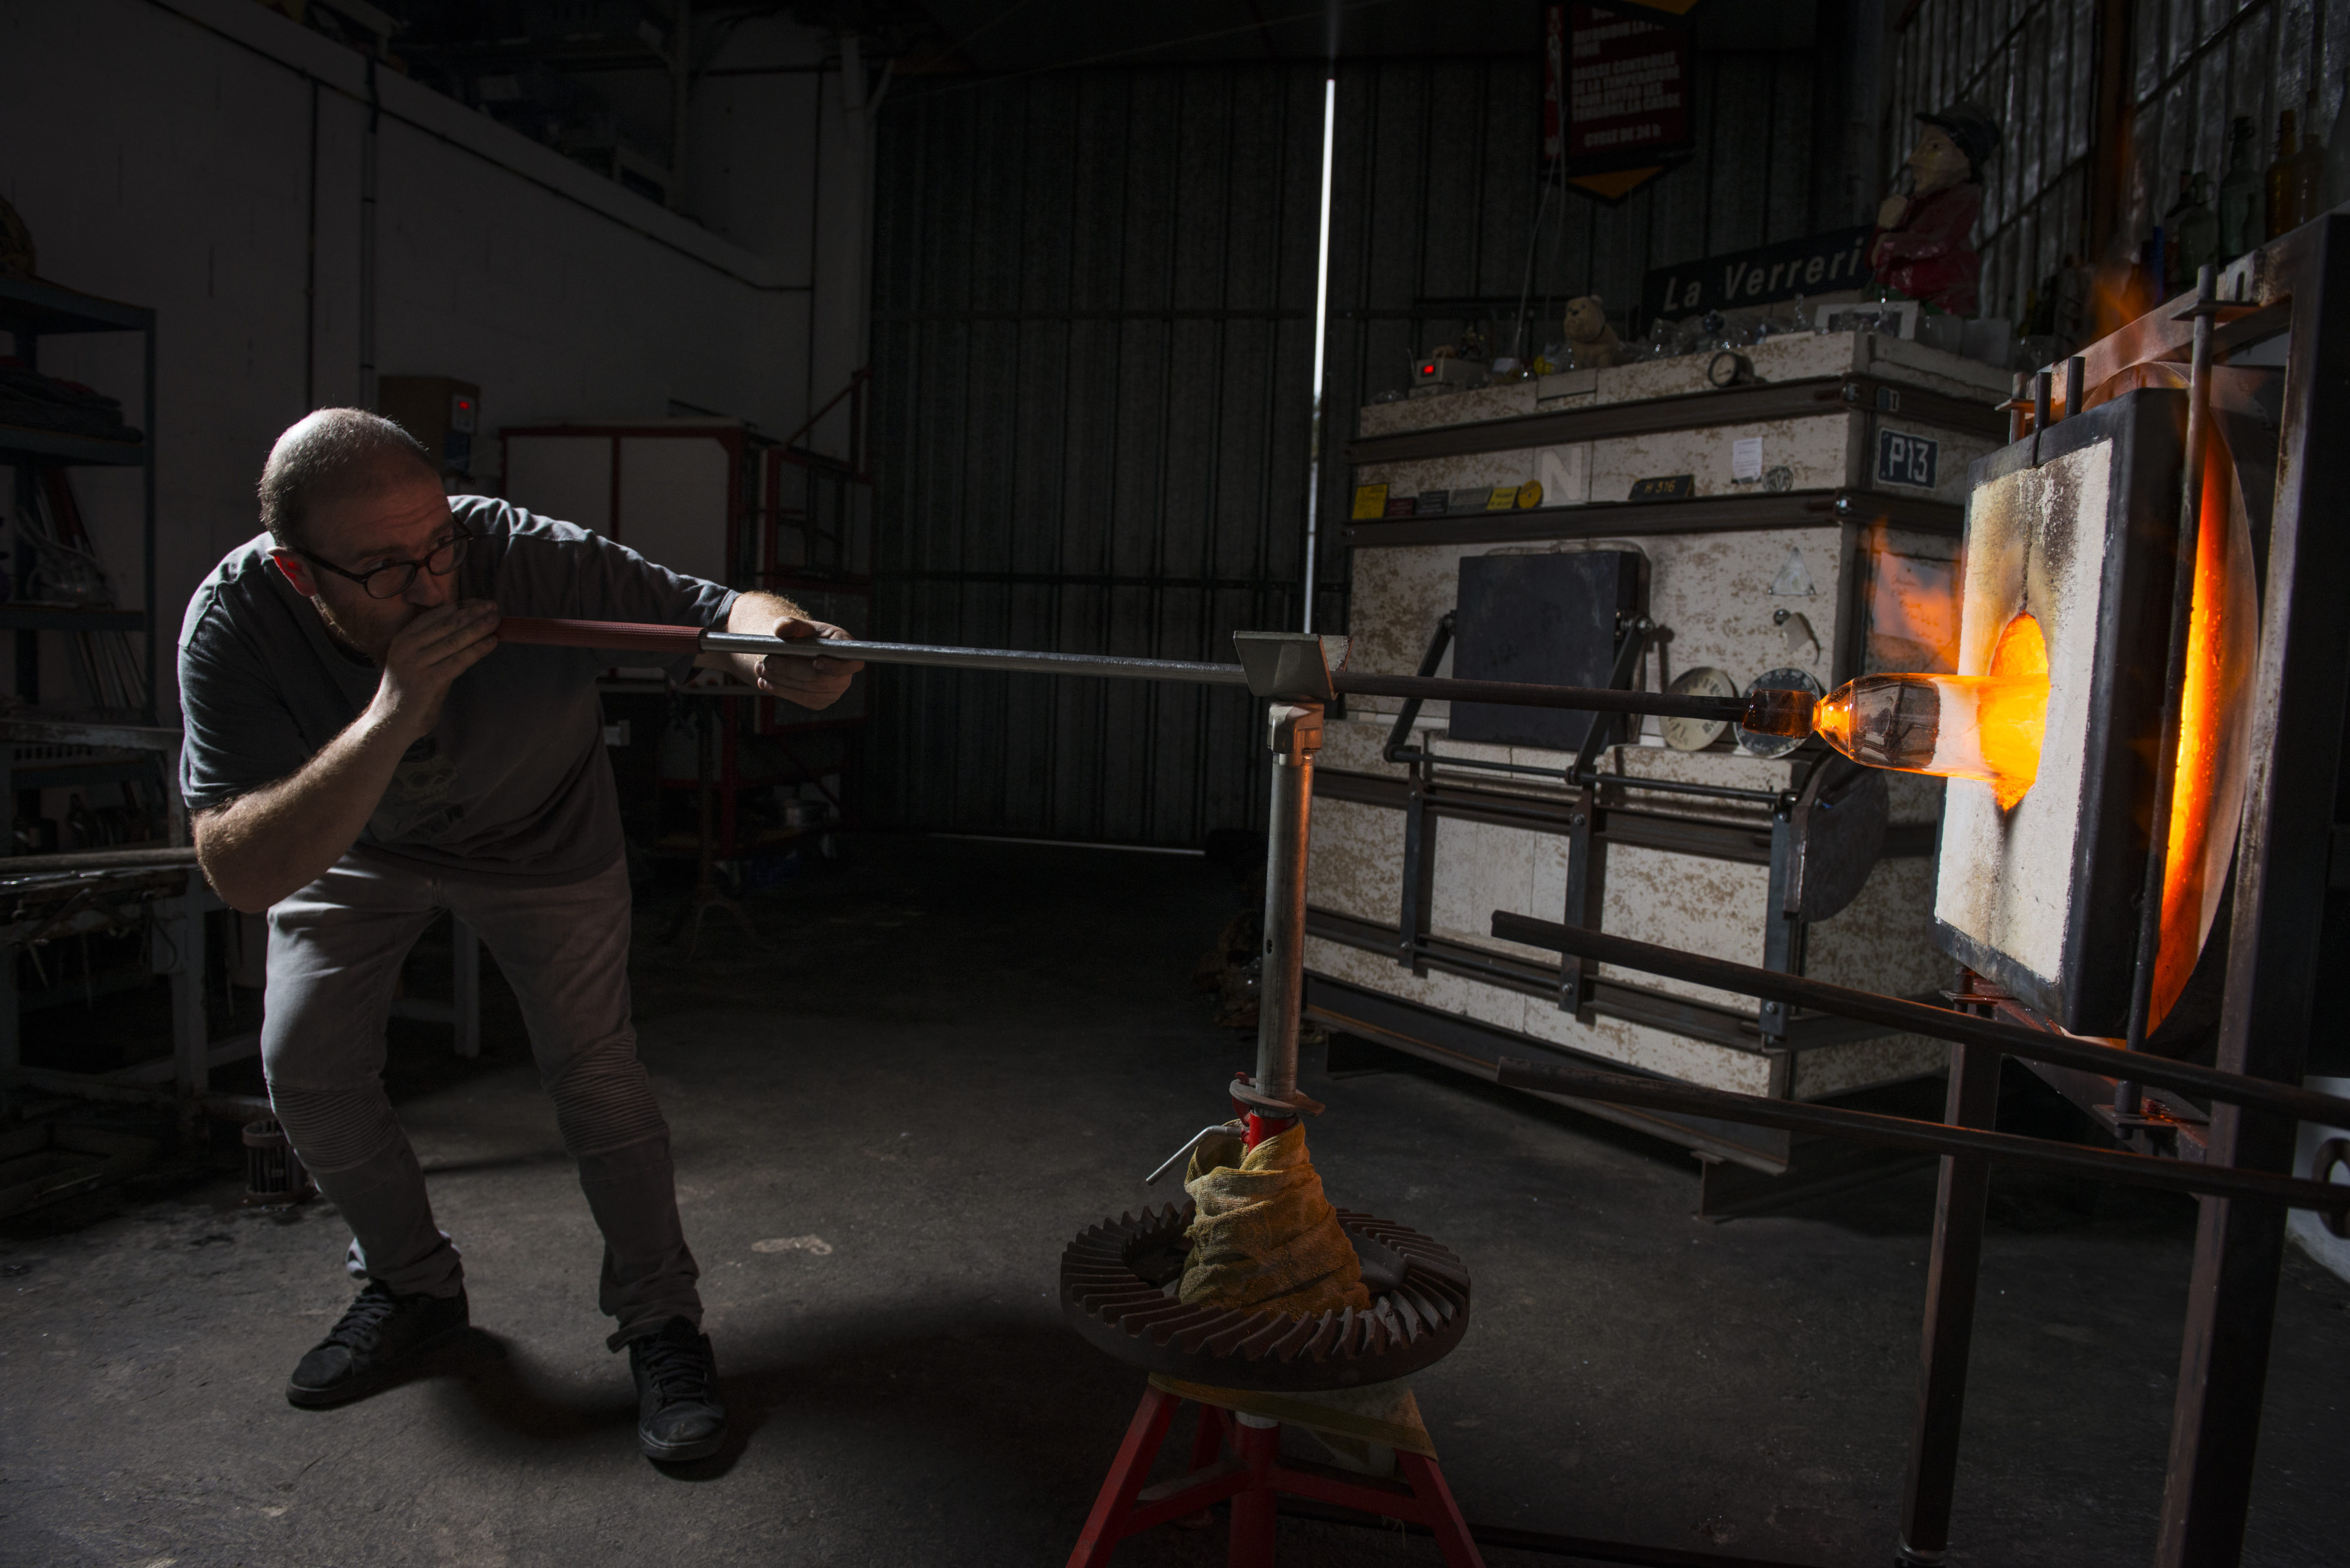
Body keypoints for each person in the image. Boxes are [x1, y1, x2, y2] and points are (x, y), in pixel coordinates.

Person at [179, 408, 864, 1463]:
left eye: (439, 543)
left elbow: (716, 608)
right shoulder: (232, 621)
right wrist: (392, 708)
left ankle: (661, 1322)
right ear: (299, 571)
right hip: (355, 841)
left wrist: (777, 647)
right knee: (304, 1067)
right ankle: (411, 1285)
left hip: (544, 839)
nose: (432, 582)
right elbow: (239, 868)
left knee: (596, 1076)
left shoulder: (518, 552)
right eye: (385, 568)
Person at [1871, 102, 2002, 317]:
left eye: (1935, 147)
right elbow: (1873, 261)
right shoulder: (1917, 205)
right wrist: (1884, 227)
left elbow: (1938, 242)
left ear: (1965, 160)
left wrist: (1888, 244)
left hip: (1935, 316)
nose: (1914, 159)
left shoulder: (1960, 199)